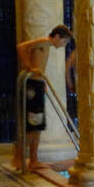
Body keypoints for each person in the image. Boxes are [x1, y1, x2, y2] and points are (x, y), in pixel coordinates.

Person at [14, 24, 72, 171]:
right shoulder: (44, 42)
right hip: (32, 85)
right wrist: (29, 67)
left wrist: (42, 82)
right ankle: (19, 158)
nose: (63, 45)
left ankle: (33, 160)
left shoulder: (46, 46)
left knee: (38, 125)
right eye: (64, 42)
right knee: (33, 124)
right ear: (57, 36)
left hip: (37, 84)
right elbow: (21, 47)